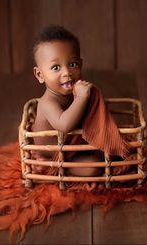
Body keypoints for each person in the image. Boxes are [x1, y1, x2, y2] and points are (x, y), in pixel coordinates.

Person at [31, 25, 103, 176]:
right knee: (94, 166)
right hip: (55, 155)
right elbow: (65, 125)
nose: (67, 72)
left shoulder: (72, 93)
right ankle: (57, 169)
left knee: (102, 150)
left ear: (81, 64)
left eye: (72, 64)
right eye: (56, 67)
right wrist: (82, 98)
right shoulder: (47, 103)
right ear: (40, 75)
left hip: (70, 147)